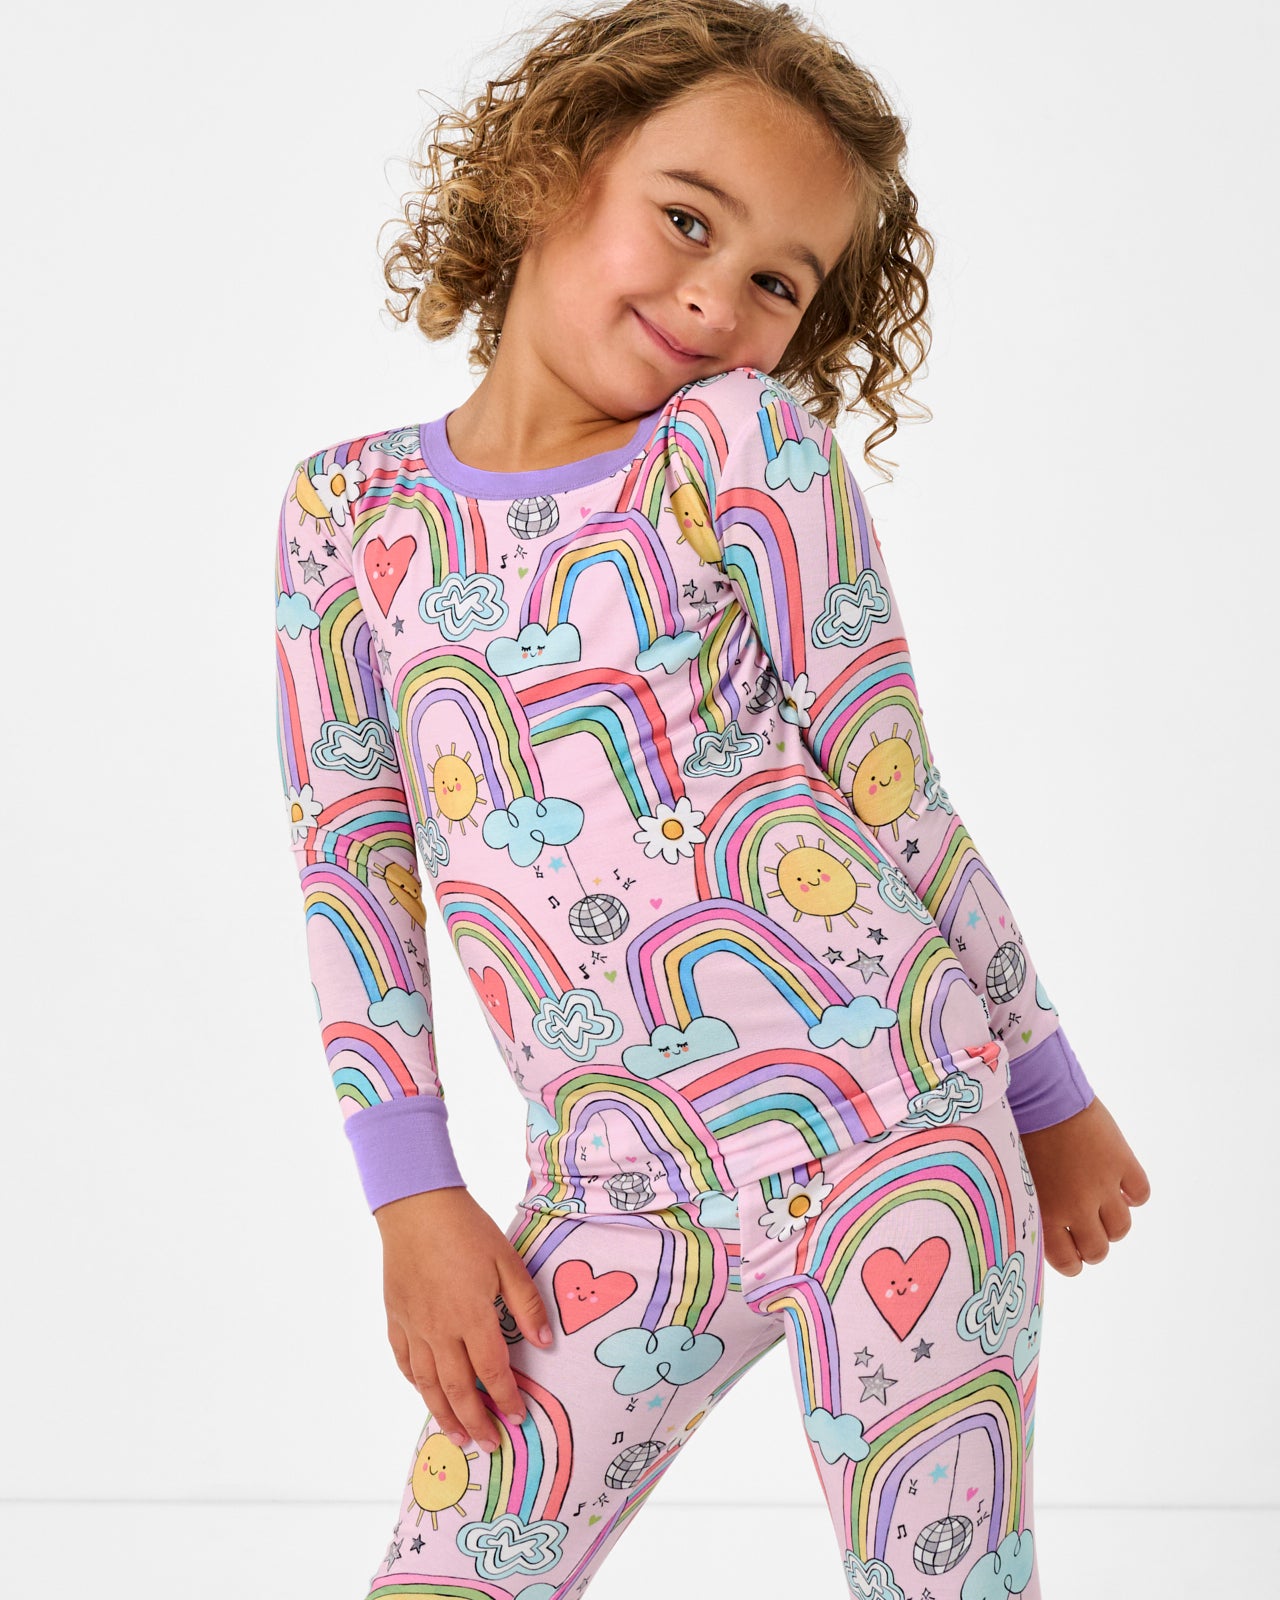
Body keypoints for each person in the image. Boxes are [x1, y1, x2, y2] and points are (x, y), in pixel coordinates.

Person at [272, 3, 1151, 1594]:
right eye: (688, 220)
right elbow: (352, 861)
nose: (716, 297)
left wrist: (1046, 1091)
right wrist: (411, 1195)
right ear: (552, 169)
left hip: (898, 1127)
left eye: (777, 282)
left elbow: (894, 787)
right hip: (613, 1200)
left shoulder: (736, 445)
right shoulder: (350, 511)